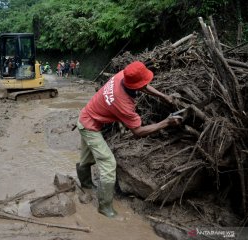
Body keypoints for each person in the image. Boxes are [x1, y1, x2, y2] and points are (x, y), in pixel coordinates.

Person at [76, 61, 182, 218]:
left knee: (87, 156)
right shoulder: (123, 104)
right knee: (108, 163)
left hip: (86, 116)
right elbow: (137, 131)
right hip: (90, 126)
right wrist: (166, 122)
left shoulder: (123, 75)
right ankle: (104, 207)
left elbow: (143, 85)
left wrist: (163, 96)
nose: (146, 84)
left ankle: (85, 184)